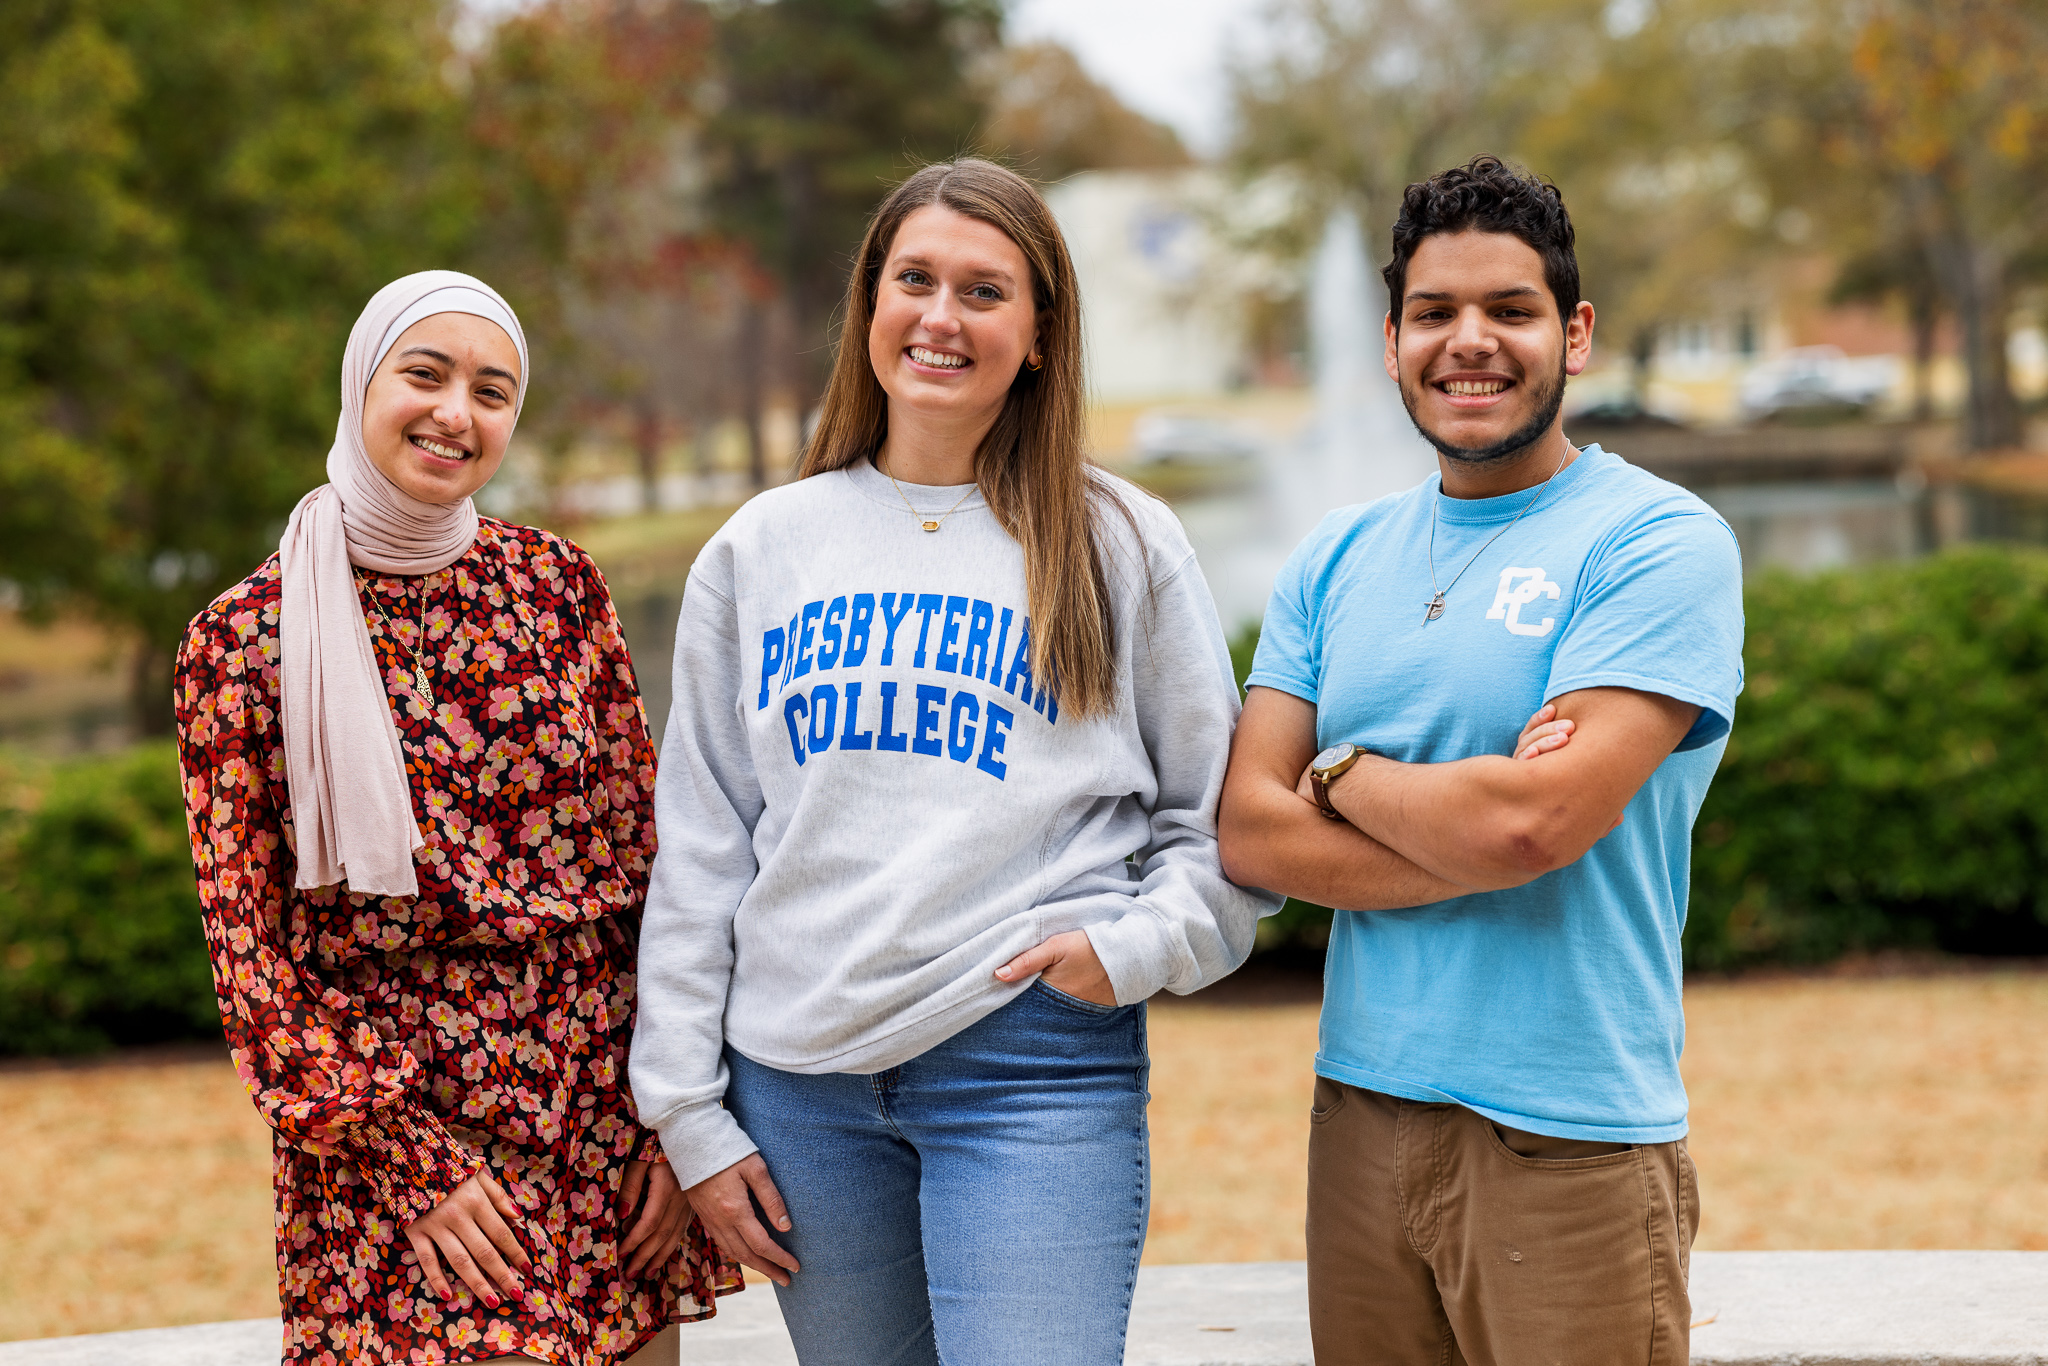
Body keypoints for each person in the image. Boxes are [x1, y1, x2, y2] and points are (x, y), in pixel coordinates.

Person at [629, 158, 1276, 1366]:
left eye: (984, 291)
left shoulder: (1117, 540)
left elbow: (1217, 825)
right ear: (868, 305)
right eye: (912, 280)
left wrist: (1132, 949)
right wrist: (686, 1112)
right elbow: (702, 844)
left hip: (1026, 1064)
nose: (940, 317)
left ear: (1038, 334)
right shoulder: (761, 548)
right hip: (799, 1085)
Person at [1217, 156, 1745, 1366]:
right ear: (1390, 339)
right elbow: (1247, 829)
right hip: (1357, 1111)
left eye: (1509, 310)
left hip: (1567, 1132)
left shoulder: (1655, 541)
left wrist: (1342, 774)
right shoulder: (1334, 557)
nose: (1472, 343)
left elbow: (1529, 825)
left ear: (1574, 332)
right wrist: (1476, 815)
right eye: (1435, 313)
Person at [174, 270, 739, 1366]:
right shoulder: (242, 642)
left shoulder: (558, 586)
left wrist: (670, 1115)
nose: (455, 412)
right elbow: (254, 969)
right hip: (397, 1158)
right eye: (423, 375)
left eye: (492, 390)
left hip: (598, 1128)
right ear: (360, 384)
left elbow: (649, 871)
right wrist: (411, 1163)